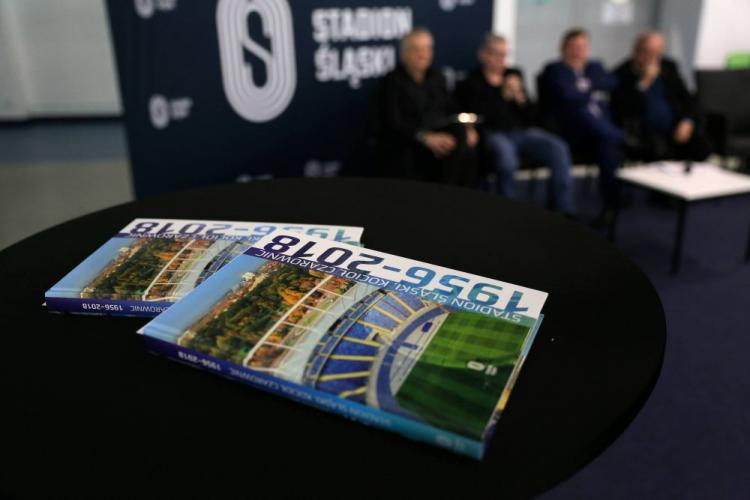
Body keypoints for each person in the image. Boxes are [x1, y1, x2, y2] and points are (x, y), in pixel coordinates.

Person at [455, 33, 574, 214]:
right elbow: (482, 118)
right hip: (494, 133)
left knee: (558, 148)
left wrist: (520, 97)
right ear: (483, 55)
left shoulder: (514, 75)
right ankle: (508, 211)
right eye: (496, 54)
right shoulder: (472, 82)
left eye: (504, 55)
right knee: (507, 159)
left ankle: (562, 209)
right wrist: (501, 95)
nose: (501, 60)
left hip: (523, 131)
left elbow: (532, 115)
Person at [376, 28, 478, 186]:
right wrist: (424, 137)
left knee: (462, 137)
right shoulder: (392, 83)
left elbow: (452, 108)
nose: (422, 54)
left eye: (426, 49)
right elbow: (393, 123)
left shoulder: (437, 78)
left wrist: (468, 127)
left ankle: (457, 198)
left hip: (441, 137)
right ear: (403, 54)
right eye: (416, 49)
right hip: (410, 143)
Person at [539, 28, 624, 212]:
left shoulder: (594, 67)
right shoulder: (554, 70)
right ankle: (619, 139)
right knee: (586, 117)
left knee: (607, 148)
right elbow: (567, 97)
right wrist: (592, 89)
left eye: (583, 47)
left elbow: (612, 82)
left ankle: (611, 205)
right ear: (563, 48)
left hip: (598, 133)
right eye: (574, 47)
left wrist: (585, 86)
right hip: (570, 130)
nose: (578, 51)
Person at [611, 31, 711, 162]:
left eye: (657, 53)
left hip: (675, 126)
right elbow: (625, 109)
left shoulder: (668, 67)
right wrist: (644, 82)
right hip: (644, 131)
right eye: (648, 52)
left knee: (702, 145)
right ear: (636, 51)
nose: (652, 57)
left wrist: (687, 121)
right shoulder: (621, 73)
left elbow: (687, 98)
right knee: (657, 150)